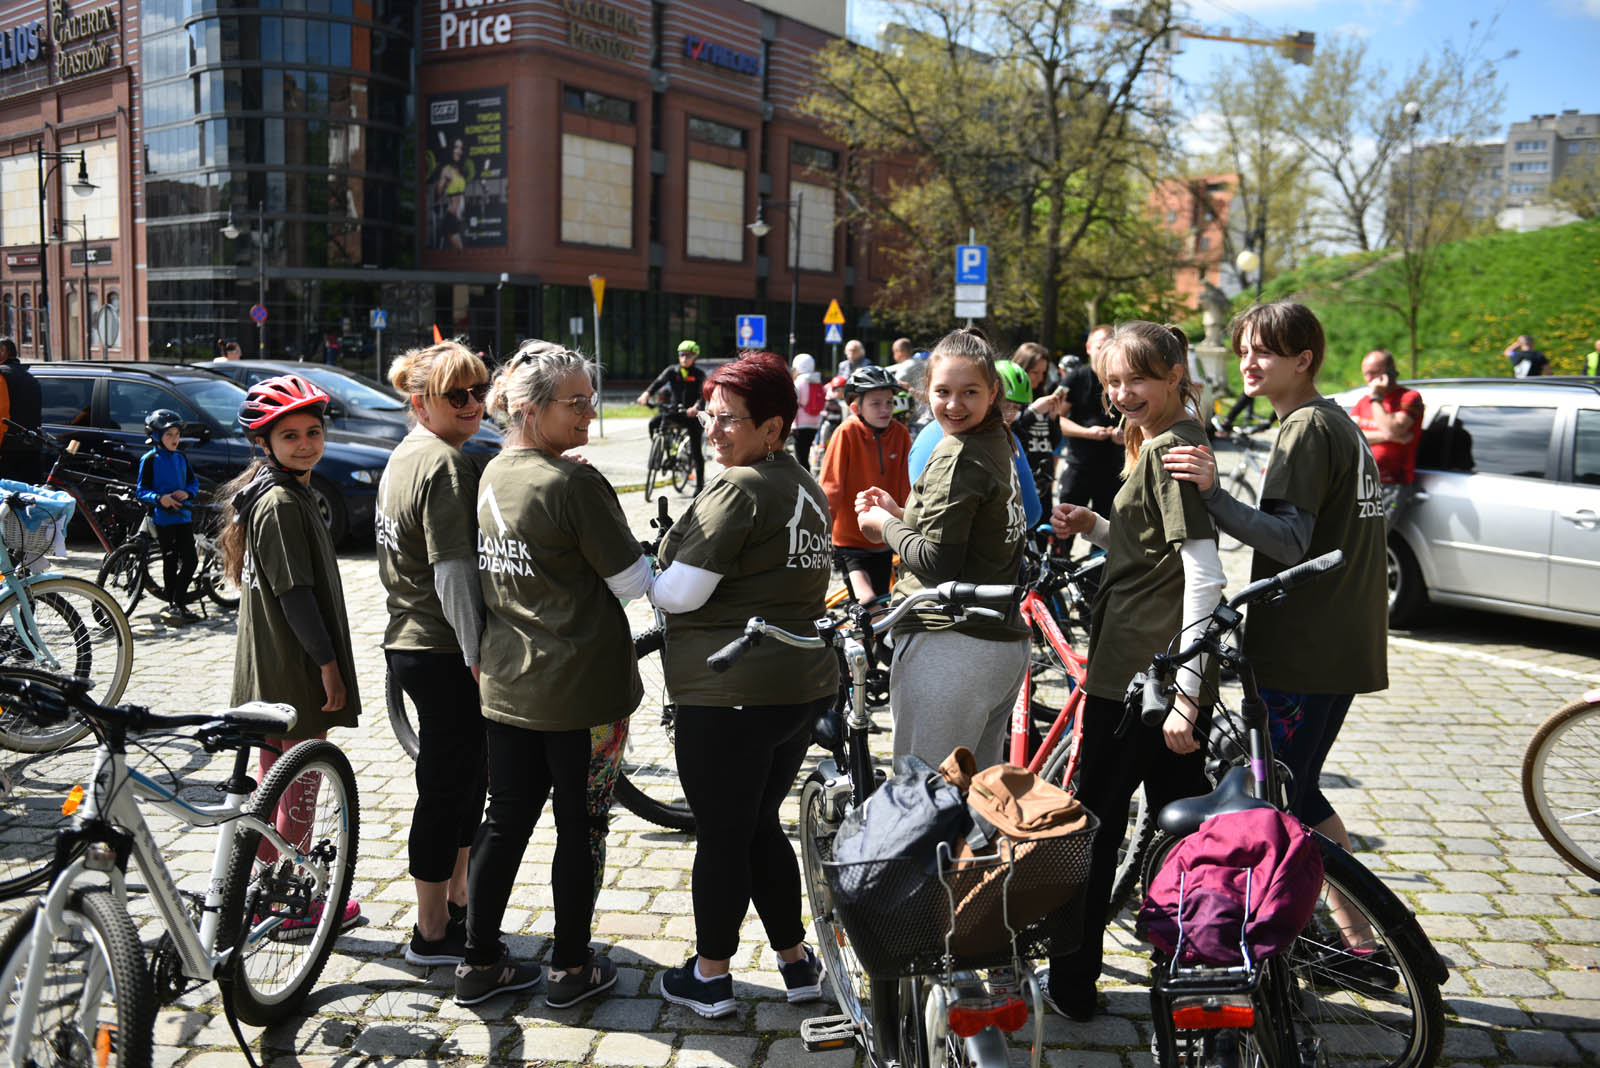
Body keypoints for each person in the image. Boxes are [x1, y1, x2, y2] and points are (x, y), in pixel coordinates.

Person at [1163, 300, 1387, 918]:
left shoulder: (1306, 428)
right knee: (1298, 788)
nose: (1248, 364)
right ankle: (1352, 932)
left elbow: (1289, 540)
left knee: (1286, 788)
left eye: (1262, 351)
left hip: (1305, 648)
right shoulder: (1336, 421)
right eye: (1242, 352)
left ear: (1303, 359)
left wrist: (1212, 494)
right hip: (1337, 642)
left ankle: (1359, 935)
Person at [1041, 322, 1225, 1021]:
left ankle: (1074, 981)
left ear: (1176, 373)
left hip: (1138, 680)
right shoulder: (1159, 440)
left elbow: (1203, 575)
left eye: (1136, 380)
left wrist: (1186, 694)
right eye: (1113, 382)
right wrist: (1093, 526)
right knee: (1187, 828)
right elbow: (1150, 553)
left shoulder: (1175, 445)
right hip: (1150, 670)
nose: (1121, 395)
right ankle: (1197, 961)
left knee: (1096, 827)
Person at [459, 340, 643, 1007]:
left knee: (504, 820)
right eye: (576, 403)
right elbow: (633, 582)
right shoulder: (576, 483)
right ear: (531, 410)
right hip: (583, 690)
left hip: (509, 687)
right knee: (582, 824)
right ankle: (570, 968)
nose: (589, 413)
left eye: (590, 400)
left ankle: (478, 962)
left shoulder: (495, 472)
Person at [650, 351, 832, 1018]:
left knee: (724, 835)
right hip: (797, 684)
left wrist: (638, 572)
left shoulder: (739, 488)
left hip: (727, 686)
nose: (712, 429)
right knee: (758, 825)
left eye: (729, 420)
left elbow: (677, 594)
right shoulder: (804, 484)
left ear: (774, 428)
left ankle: (710, 976)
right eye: (709, 414)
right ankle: (796, 962)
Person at [219, 374, 363, 934]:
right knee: (299, 780)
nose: (305, 443)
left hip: (268, 664)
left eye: (313, 431)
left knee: (272, 777)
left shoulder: (272, 491)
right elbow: (294, 594)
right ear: (265, 443)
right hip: (295, 665)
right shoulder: (280, 501)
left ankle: (264, 887)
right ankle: (291, 901)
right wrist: (328, 664)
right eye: (290, 436)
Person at [855, 327, 1030, 769]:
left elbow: (939, 561)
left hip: (952, 646)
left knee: (923, 799)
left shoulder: (958, 451)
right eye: (943, 392)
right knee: (975, 805)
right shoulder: (997, 440)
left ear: (993, 391)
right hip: (999, 644)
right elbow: (970, 531)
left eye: (969, 392)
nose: (954, 404)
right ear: (922, 393)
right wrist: (903, 513)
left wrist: (885, 525)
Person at [376, 341, 491, 970]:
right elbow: (452, 572)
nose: (473, 404)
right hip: (443, 646)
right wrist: (477, 654)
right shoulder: (446, 465)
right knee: (446, 787)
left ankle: (457, 901)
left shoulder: (410, 453)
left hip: (415, 642)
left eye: (479, 391)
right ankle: (431, 931)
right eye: (458, 395)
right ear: (421, 403)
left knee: (463, 778)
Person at [907, 362, 1042, 530]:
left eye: (1015, 407)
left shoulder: (925, 434)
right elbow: (1031, 513)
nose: (1008, 414)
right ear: (991, 395)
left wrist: (889, 524)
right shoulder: (1005, 438)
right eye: (1005, 404)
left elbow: (921, 518)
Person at [820, 364, 911, 605]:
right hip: (849, 540)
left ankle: (873, 643)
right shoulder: (846, 432)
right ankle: (865, 640)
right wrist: (821, 532)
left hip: (885, 537)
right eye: (876, 403)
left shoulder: (901, 434)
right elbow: (831, 485)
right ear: (855, 407)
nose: (885, 409)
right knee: (867, 600)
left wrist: (909, 527)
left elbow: (906, 485)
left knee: (883, 601)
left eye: (889, 402)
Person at [137, 409, 202, 625]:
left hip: (183, 517)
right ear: (156, 437)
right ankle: (176, 606)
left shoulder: (181, 457)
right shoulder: (150, 459)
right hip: (163, 519)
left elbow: (193, 483)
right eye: (169, 435)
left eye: (177, 435)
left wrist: (189, 493)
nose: (175, 439)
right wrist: (159, 498)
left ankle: (177, 601)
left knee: (191, 560)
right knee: (170, 561)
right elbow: (141, 490)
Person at [1348, 350, 1424, 524]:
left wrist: (1376, 398)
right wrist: (1389, 436)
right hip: (1359, 482)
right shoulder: (1362, 402)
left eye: (1374, 372)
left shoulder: (1409, 398)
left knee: (1373, 542)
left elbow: (1394, 428)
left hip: (1390, 483)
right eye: (1366, 373)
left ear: (1390, 371)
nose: (1368, 379)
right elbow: (1351, 436)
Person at [1058, 325, 1122, 526]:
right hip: (1080, 465)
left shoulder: (1123, 380)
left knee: (1109, 534)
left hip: (1115, 469)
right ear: (1088, 348)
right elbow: (1056, 419)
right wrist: (1087, 433)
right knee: (1065, 527)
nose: (1104, 352)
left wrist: (1126, 434)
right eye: (1100, 346)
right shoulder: (1075, 378)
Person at [637, 339, 707, 494]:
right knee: (653, 424)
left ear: (695, 357)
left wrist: (696, 408)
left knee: (696, 451)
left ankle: (700, 485)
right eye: (682, 355)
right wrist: (646, 394)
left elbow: (703, 396)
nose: (684, 358)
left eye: (688, 355)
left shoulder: (699, 375)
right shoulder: (672, 371)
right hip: (674, 411)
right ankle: (664, 446)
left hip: (691, 416)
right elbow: (657, 383)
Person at [1007, 344, 1066, 505]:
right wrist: (1033, 411)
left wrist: (1054, 418)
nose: (1039, 378)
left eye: (1043, 373)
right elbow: (1010, 431)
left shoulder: (1043, 396)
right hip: (1021, 478)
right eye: (1034, 372)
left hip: (1043, 483)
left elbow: (1053, 443)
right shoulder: (1010, 401)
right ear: (1021, 368)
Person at [0, 337, 42, 483]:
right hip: (32, 448)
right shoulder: (30, 377)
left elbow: (2, 417)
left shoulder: (2, 375)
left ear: (3, 351)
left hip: (7, 451)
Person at [791, 353, 824, 470]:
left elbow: (794, 402)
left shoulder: (799, 382)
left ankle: (805, 483)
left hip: (800, 425)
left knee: (801, 458)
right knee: (807, 455)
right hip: (815, 422)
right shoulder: (817, 381)